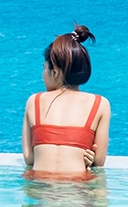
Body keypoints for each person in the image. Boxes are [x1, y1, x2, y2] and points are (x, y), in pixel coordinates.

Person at [22, 25, 110, 179]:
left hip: (42, 190)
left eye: (44, 68)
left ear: (54, 71)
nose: (42, 75)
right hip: (77, 192)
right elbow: (99, 162)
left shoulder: (34, 101)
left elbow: (29, 158)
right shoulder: (100, 104)